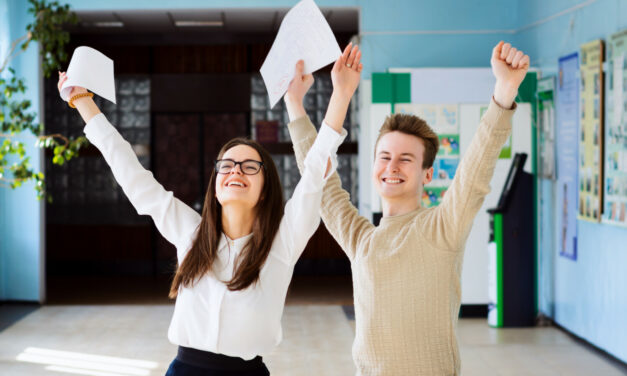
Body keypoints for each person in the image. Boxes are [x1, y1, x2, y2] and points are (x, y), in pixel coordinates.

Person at [55, 49, 358, 374]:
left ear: (265, 187)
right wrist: (82, 100)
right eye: (226, 165)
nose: (235, 171)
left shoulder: (282, 244)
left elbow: (314, 174)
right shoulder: (191, 233)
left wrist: (340, 96)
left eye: (249, 166)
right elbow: (132, 175)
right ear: (215, 185)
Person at [284, 41, 529, 375]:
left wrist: (504, 91)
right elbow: (321, 183)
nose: (392, 167)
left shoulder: (442, 227)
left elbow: (475, 171)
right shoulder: (361, 240)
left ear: (428, 173)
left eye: (405, 159)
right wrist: (297, 105)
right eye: (384, 157)